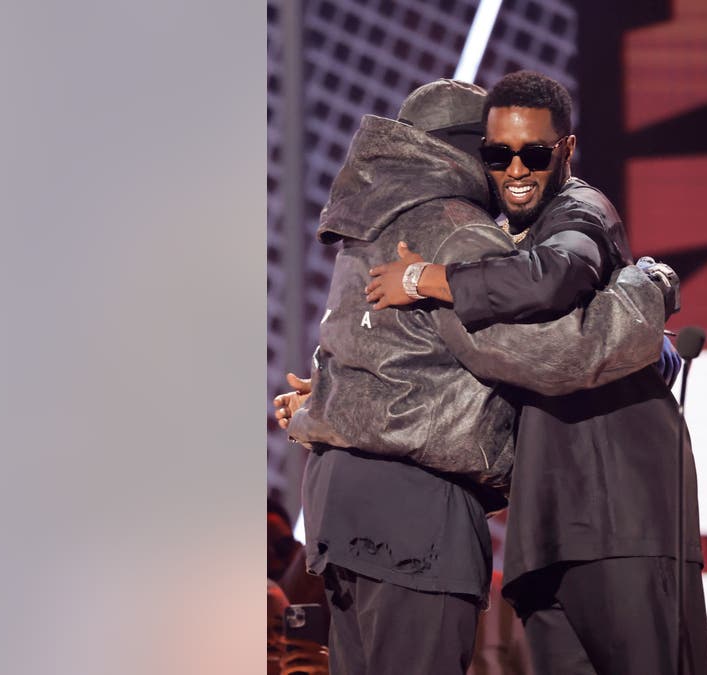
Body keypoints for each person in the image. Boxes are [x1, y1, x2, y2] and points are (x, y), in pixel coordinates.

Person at [279, 79, 678, 675]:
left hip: (337, 504)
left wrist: (322, 405)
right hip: (413, 516)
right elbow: (559, 354)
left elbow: (350, 348)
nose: (511, 172)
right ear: (470, 151)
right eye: (496, 154)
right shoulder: (457, 231)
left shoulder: (365, 228)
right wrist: (647, 292)